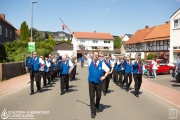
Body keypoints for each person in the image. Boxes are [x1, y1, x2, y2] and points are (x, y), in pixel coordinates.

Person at [79, 44, 110, 118]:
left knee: (98, 96)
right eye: (95, 55)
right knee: (91, 96)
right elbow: (83, 54)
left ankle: (97, 106)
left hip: (99, 82)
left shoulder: (101, 63)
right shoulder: (89, 61)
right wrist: (81, 48)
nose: (96, 56)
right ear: (92, 55)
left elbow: (108, 70)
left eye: (97, 55)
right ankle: (93, 112)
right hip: (91, 82)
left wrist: (104, 76)